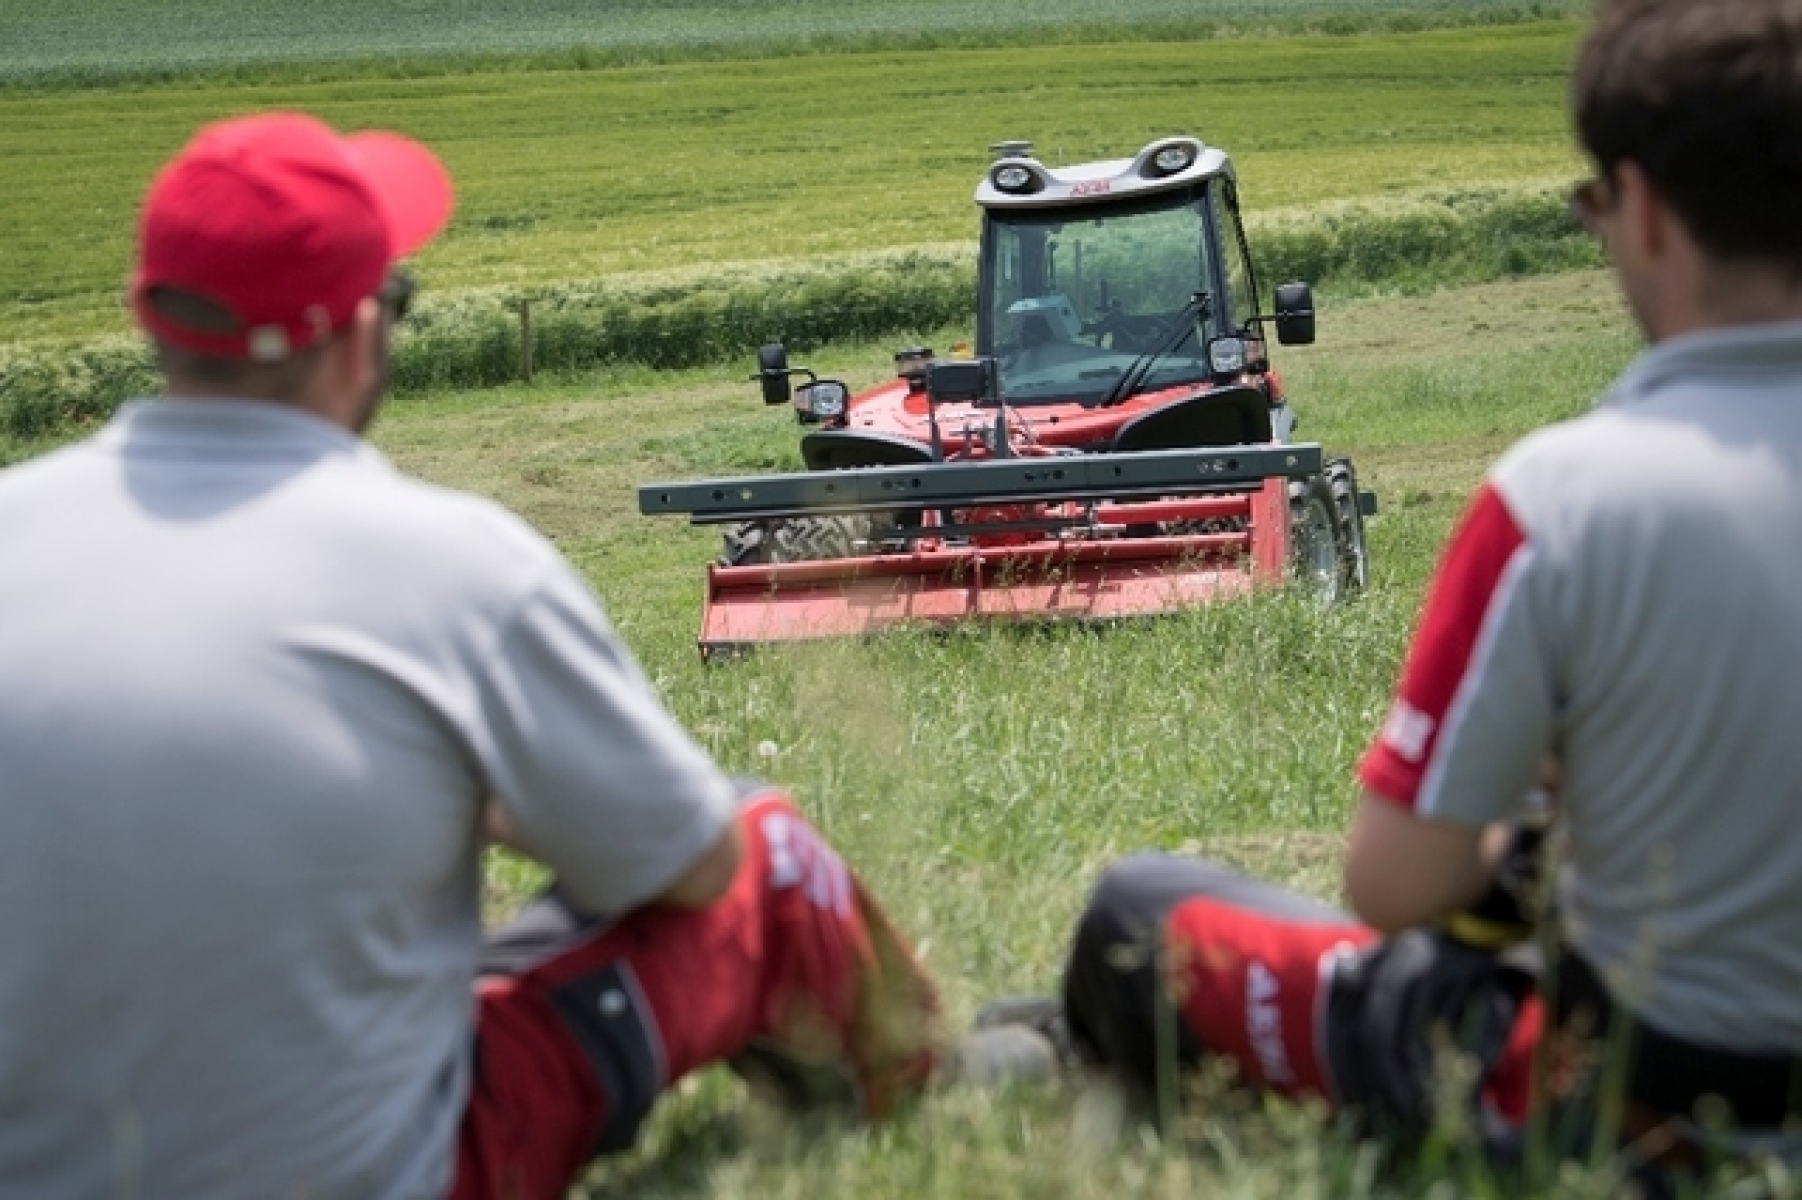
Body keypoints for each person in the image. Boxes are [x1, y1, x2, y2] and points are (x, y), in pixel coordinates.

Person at [0, 112, 939, 1199]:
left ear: (148, 319)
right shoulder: (453, 568)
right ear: (361, 331)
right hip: (385, 1174)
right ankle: (919, 1076)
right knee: (759, 849)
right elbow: (694, 867)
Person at [1041, 0, 1802, 1176]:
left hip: (1632, 1104)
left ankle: (1075, 1046)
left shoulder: (1557, 502)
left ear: (1641, 208)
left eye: (1592, 205)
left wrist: (1532, 829)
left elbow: (1394, 885)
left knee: (1140, 914)